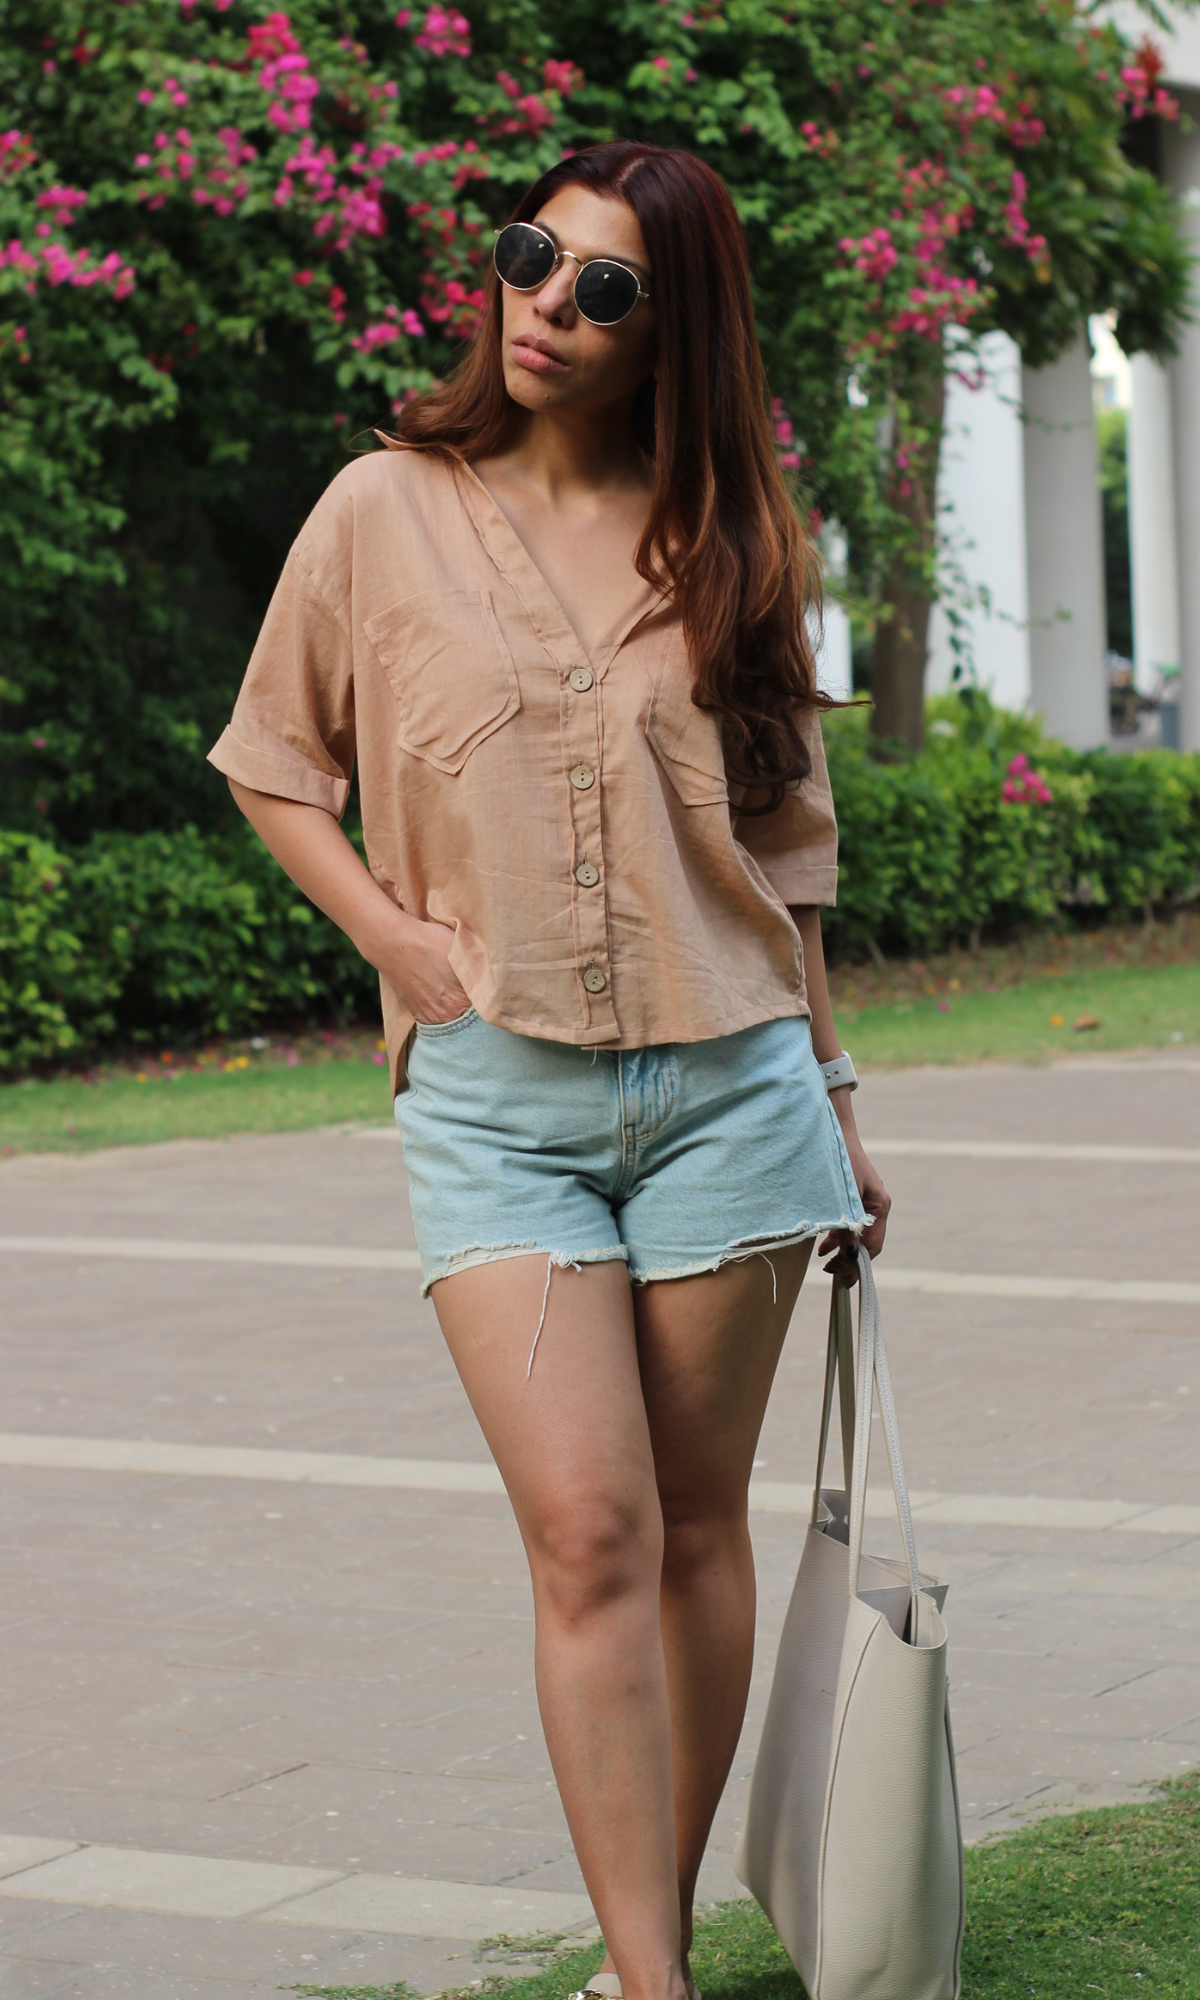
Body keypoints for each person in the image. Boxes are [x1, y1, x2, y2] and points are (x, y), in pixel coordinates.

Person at [210, 138, 890, 2000]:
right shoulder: (382, 507)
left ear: (674, 328)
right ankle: (654, 1983)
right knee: (585, 1526)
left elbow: (790, 847)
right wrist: (393, 941)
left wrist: (833, 1088)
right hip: (495, 1098)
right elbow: (276, 761)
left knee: (691, 1528)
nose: (548, 306)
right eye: (531, 258)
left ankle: (636, 1960)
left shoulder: (735, 539)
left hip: (738, 1093)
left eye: (604, 288)